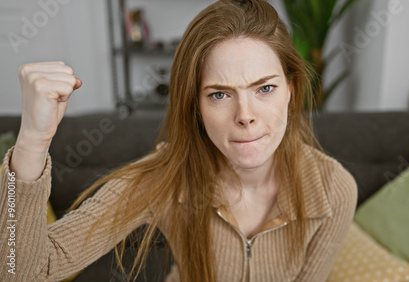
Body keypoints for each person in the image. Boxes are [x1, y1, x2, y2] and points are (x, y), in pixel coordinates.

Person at [0, 0, 357, 281]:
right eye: (219, 94)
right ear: (196, 105)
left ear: (291, 90)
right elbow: (22, 273)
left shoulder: (334, 190)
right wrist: (33, 140)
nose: (245, 115)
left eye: (265, 88)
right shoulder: (164, 177)